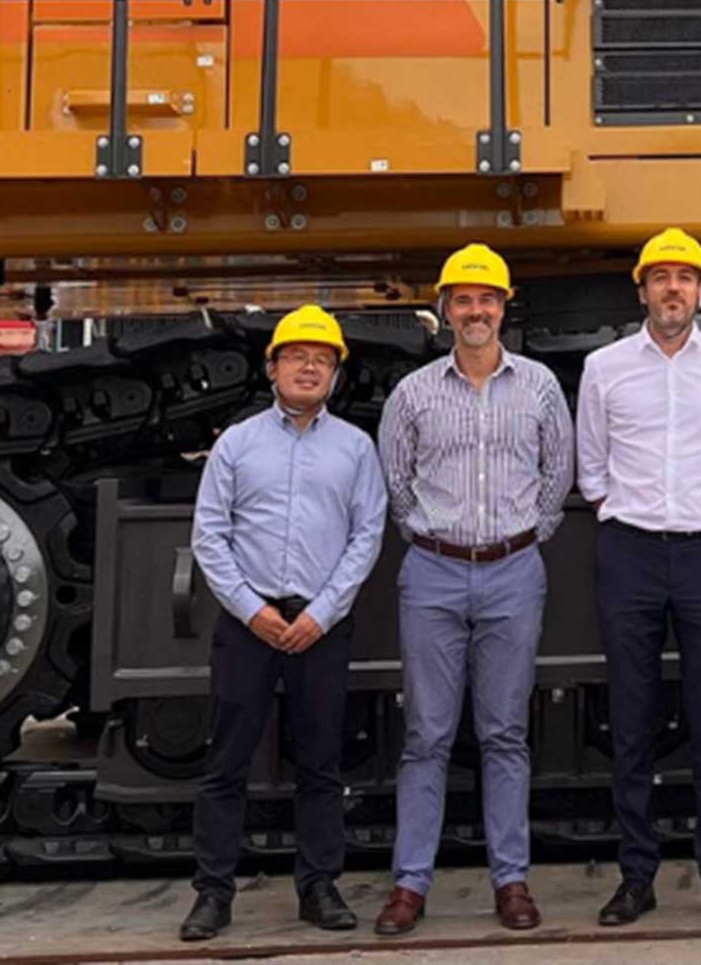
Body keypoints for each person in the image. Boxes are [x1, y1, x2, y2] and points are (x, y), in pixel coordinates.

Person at [371, 244, 575, 936]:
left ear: (503, 306)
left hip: (514, 571)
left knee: (505, 733)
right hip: (431, 571)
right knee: (425, 735)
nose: (476, 310)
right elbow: (395, 484)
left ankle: (511, 881)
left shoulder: (541, 387)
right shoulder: (414, 393)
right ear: (445, 308)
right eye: (463, 299)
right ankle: (410, 885)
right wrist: (436, 539)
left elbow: (557, 476)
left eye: (487, 298)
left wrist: (522, 538)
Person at [576, 227, 701, 927]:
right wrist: (628, 515)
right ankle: (636, 877)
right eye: (660, 277)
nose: (673, 289)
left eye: (685, 277)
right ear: (641, 290)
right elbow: (590, 466)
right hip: (628, 551)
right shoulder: (604, 368)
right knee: (631, 721)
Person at [178, 305, 386, 942]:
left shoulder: (355, 447)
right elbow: (209, 536)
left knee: (320, 762)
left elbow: (368, 534)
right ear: (272, 367)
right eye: (296, 356)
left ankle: (318, 887)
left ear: (334, 376)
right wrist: (254, 611)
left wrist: (321, 612)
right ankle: (213, 893)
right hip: (249, 622)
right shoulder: (238, 443)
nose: (308, 367)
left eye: (321, 360)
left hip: (320, 625)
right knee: (226, 762)